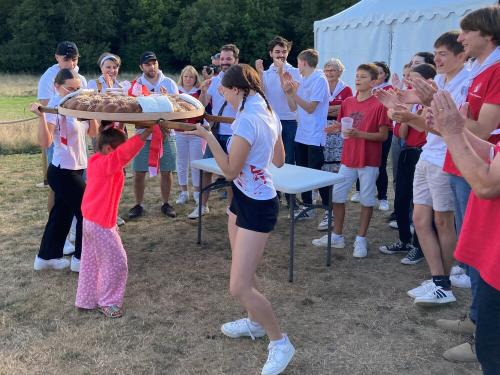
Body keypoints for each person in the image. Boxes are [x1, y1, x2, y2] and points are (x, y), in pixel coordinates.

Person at [186, 64, 294, 375]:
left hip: (257, 205)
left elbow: (231, 170)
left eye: (224, 90)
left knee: (239, 287)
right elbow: (280, 159)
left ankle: (280, 342)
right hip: (246, 198)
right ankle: (255, 322)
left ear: (238, 90)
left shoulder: (247, 119)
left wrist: (208, 136)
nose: (223, 95)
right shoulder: (268, 110)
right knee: (243, 272)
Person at [378, 31, 469, 306]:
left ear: (461, 55)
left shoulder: (465, 83)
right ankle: (438, 280)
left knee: (443, 221)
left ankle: (449, 278)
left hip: (446, 159)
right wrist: (395, 103)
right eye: (436, 52)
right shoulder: (439, 80)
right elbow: (408, 98)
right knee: (420, 220)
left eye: (443, 54)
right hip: (428, 156)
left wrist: (410, 118)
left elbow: (449, 128)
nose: (437, 59)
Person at [431, 9, 500, 363]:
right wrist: (438, 120)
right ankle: (478, 319)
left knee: (486, 258)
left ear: (487, 35)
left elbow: (481, 131)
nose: (460, 38)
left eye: (466, 32)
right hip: (465, 161)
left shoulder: (495, 71)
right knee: (475, 253)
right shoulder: (480, 70)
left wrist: (450, 126)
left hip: (478, 170)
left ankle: (485, 333)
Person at [312, 63, 390, 257]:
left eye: (363, 77)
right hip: (347, 159)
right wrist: (336, 128)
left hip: (369, 160)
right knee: (337, 196)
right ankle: (337, 236)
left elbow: (383, 136)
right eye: (357, 75)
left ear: (373, 82)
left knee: (366, 200)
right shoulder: (347, 102)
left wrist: (359, 134)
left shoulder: (379, 104)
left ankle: (361, 239)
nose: (358, 79)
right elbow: (344, 125)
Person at [76, 122, 153, 318]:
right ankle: (108, 302)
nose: (124, 159)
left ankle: (87, 299)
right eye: (120, 149)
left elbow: (123, 154)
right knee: (117, 262)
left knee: (91, 261)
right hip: (101, 223)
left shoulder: (95, 160)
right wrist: (145, 134)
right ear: (109, 149)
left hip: (90, 221)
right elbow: (124, 154)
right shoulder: (106, 163)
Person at [31, 69, 98, 272]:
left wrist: (91, 112)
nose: (75, 92)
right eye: (70, 89)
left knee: (61, 213)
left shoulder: (77, 105)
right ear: (57, 87)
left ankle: (46, 257)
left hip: (77, 168)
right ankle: (80, 259)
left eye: (78, 88)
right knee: (87, 210)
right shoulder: (54, 106)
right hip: (62, 171)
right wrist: (40, 116)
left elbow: (93, 133)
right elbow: (45, 141)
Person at [377, 63, 436, 263]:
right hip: (408, 152)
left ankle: (419, 247)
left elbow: (426, 131)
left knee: (420, 203)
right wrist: (402, 110)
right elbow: (402, 134)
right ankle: (404, 240)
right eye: (408, 78)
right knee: (401, 197)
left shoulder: (431, 102)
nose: (409, 82)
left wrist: (408, 112)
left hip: (424, 154)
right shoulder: (413, 102)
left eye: (413, 79)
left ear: (428, 82)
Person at [37, 41, 88, 253]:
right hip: (59, 143)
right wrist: (45, 115)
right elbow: (48, 108)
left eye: (74, 59)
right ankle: (73, 248)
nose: (71, 63)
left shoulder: (80, 78)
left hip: (78, 146)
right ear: (57, 57)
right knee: (62, 194)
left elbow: (86, 110)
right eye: (67, 59)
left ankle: (52, 252)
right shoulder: (50, 77)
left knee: (68, 204)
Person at [127, 51, 179, 220]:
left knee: (166, 171)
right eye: (148, 64)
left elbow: (178, 107)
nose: (152, 67)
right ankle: (138, 204)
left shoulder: (169, 83)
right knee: (139, 172)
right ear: (141, 67)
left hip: (165, 134)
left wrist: (168, 98)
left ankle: (166, 203)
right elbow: (132, 109)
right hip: (143, 135)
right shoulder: (136, 85)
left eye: (154, 63)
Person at [191, 44, 239, 219]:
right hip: (216, 131)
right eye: (223, 59)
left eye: (228, 59)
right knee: (206, 168)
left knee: (232, 172)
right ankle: (202, 206)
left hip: (234, 133)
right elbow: (202, 105)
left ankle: (231, 207)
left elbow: (243, 108)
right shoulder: (216, 80)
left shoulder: (242, 81)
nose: (224, 62)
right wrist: (203, 91)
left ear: (236, 60)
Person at [281, 48, 330, 219]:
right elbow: (293, 107)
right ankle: (307, 209)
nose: (297, 66)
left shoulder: (319, 80)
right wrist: (288, 92)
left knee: (316, 173)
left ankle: (327, 209)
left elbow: (311, 108)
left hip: (315, 134)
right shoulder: (301, 79)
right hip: (301, 133)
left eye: (298, 62)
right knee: (302, 172)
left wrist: (294, 93)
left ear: (304, 62)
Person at [318, 58, 353, 230]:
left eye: (333, 70)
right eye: (327, 69)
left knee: (336, 166)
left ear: (340, 71)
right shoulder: (321, 85)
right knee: (323, 165)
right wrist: (331, 108)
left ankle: (334, 201)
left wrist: (328, 108)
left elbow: (345, 109)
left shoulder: (346, 89)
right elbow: (318, 106)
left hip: (338, 129)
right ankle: (327, 204)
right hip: (322, 128)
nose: (329, 73)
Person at [174, 65, 203, 205]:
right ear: (182, 77)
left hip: (195, 132)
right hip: (179, 132)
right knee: (181, 163)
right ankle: (184, 192)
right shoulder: (176, 91)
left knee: (196, 164)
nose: (188, 79)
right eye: (186, 76)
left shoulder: (199, 91)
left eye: (191, 77)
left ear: (195, 78)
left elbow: (203, 108)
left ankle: (198, 192)